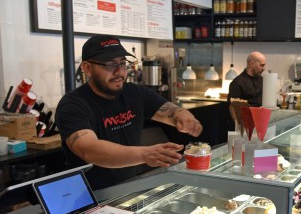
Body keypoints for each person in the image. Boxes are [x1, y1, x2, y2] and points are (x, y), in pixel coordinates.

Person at [56, 35, 203, 190]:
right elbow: (90, 150)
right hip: (89, 196)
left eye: (122, 63)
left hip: (128, 189)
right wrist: (144, 154)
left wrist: (182, 115)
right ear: (87, 68)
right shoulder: (72, 105)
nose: (119, 72)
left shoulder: (135, 93)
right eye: (110, 65)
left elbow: (169, 110)